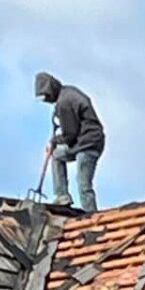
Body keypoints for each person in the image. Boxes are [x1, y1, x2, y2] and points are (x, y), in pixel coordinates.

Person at [35, 72, 106, 213]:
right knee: (56, 155)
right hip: (83, 142)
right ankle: (62, 195)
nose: (47, 101)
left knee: (83, 183)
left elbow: (70, 135)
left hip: (88, 144)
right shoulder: (67, 93)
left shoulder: (64, 103)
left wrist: (55, 141)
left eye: (46, 97)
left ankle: (91, 215)